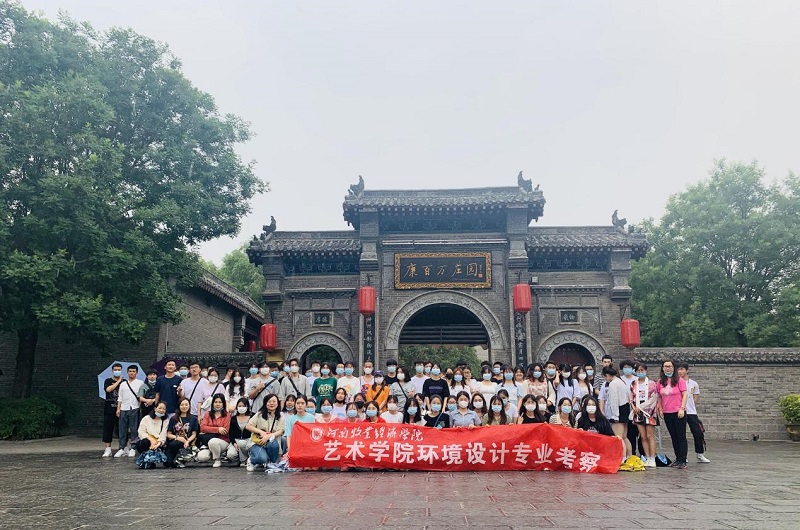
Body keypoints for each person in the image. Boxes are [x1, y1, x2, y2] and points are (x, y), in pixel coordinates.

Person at [657, 359, 689, 469]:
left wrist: (682, 408)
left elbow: (685, 394)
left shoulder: (680, 380)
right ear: (662, 368)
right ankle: (678, 458)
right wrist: (660, 408)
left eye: (670, 366)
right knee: (673, 436)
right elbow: (659, 396)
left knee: (681, 436)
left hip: (678, 412)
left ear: (673, 368)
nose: (668, 368)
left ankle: (683, 459)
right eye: (665, 366)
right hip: (667, 412)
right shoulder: (660, 382)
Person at [677, 362, 710, 463]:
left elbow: (696, 397)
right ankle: (683, 456)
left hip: (691, 412)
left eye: (682, 369)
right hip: (680, 411)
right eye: (678, 369)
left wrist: (691, 405)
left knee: (698, 432)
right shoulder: (675, 382)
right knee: (681, 435)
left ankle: (700, 454)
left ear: (687, 370)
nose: (679, 371)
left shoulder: (693, 384)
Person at [246, 394, 285, 471]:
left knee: (273, 444)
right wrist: (261, 432)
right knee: (262, 458)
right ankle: (251, 460)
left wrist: (268, 436)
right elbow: (248, 426)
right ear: (265, 403)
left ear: (278, 403)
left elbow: (281, 431)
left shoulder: (280, 415)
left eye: (274, 401)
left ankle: (271, 463)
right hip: (258, 441)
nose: (272, 403)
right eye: (269, 401)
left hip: (272, 441)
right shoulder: (259, 414)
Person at [600, 366, 632, 459]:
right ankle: (629, 457)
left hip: (618, 411)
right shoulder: (621, 382)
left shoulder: (613, 384)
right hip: (625, 409)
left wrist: (615, 416)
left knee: (618, 437)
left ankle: (623, 457)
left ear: (607, 375)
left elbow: (614, 401)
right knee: (624, 437)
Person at [631, 362, 658, 468]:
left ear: (646, 371)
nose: (640, 372)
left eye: (642, 370)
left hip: (649, 412)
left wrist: (642, 407)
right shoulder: (634, 383)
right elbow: (631, 398)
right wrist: (634, 408)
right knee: (642, 436)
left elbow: (654, 398)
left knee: (650, 436)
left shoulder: (652, 384)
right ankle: (647, 457)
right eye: (638, 371)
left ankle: (653, 458)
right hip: (638, 413)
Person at [115, 364, 144, 458]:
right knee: (122, 429)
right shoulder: (123, 384)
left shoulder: (140, 383)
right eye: (130, 371)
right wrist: (118, 409)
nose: (132, 373)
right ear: (127, 372)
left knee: (134, 429)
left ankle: (133, 448)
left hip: (134, 408)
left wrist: (139, 406)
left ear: (137, 373)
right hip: (123, 408)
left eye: (133, 371)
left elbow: (142, 396)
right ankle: (122, 448)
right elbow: (120, 397)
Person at [164, 397, 199, 468]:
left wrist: (188, 441)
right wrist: (177, 438)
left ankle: (181, 458)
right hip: (173, 443)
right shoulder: (173, 419)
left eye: (186, 404)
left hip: (186, 443)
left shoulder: (193, 419)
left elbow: (194, 434)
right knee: (168, 463)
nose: (184, 406)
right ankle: (177, 458)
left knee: (176, 445)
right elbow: (168, 434)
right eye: (182, 405)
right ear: (179, 406)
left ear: (189, 406)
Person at [199, 394, 230, 467]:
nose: (217, 404)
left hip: (223, 440)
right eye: (215, 402)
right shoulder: (207, 414)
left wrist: (209, 429)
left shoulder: (227, 415)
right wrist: (218, 429)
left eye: (220, 402)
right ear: (212, 403)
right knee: (201, 457)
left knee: (213, 441)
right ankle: (214, 453)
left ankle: (217, 459)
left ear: (223, 403)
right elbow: (202, 428)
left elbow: (225, 431)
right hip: (208, 441)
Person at [101, 363, 124, 456]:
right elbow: (108, 390)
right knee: (108, 428)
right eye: (115, 370)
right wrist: (118, 382)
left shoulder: (125, 382)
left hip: (122, 408)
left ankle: (123, 447)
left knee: (122, 429)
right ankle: (108, 449)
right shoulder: (108, 380)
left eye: (119, 370)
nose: (117, 371)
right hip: (109, 408)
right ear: (112, 370)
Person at [228, 398, 252, 466]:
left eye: (243, 406)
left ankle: (244, 460)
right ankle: (239, 459)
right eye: (239, 406)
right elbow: (230, 433)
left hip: (248, 440)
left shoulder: (252, 417)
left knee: (242, 443)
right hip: (236, 440)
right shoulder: (233, 418)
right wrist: (234, 443)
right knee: (230, 454)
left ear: (247, 406)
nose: (241, 408)